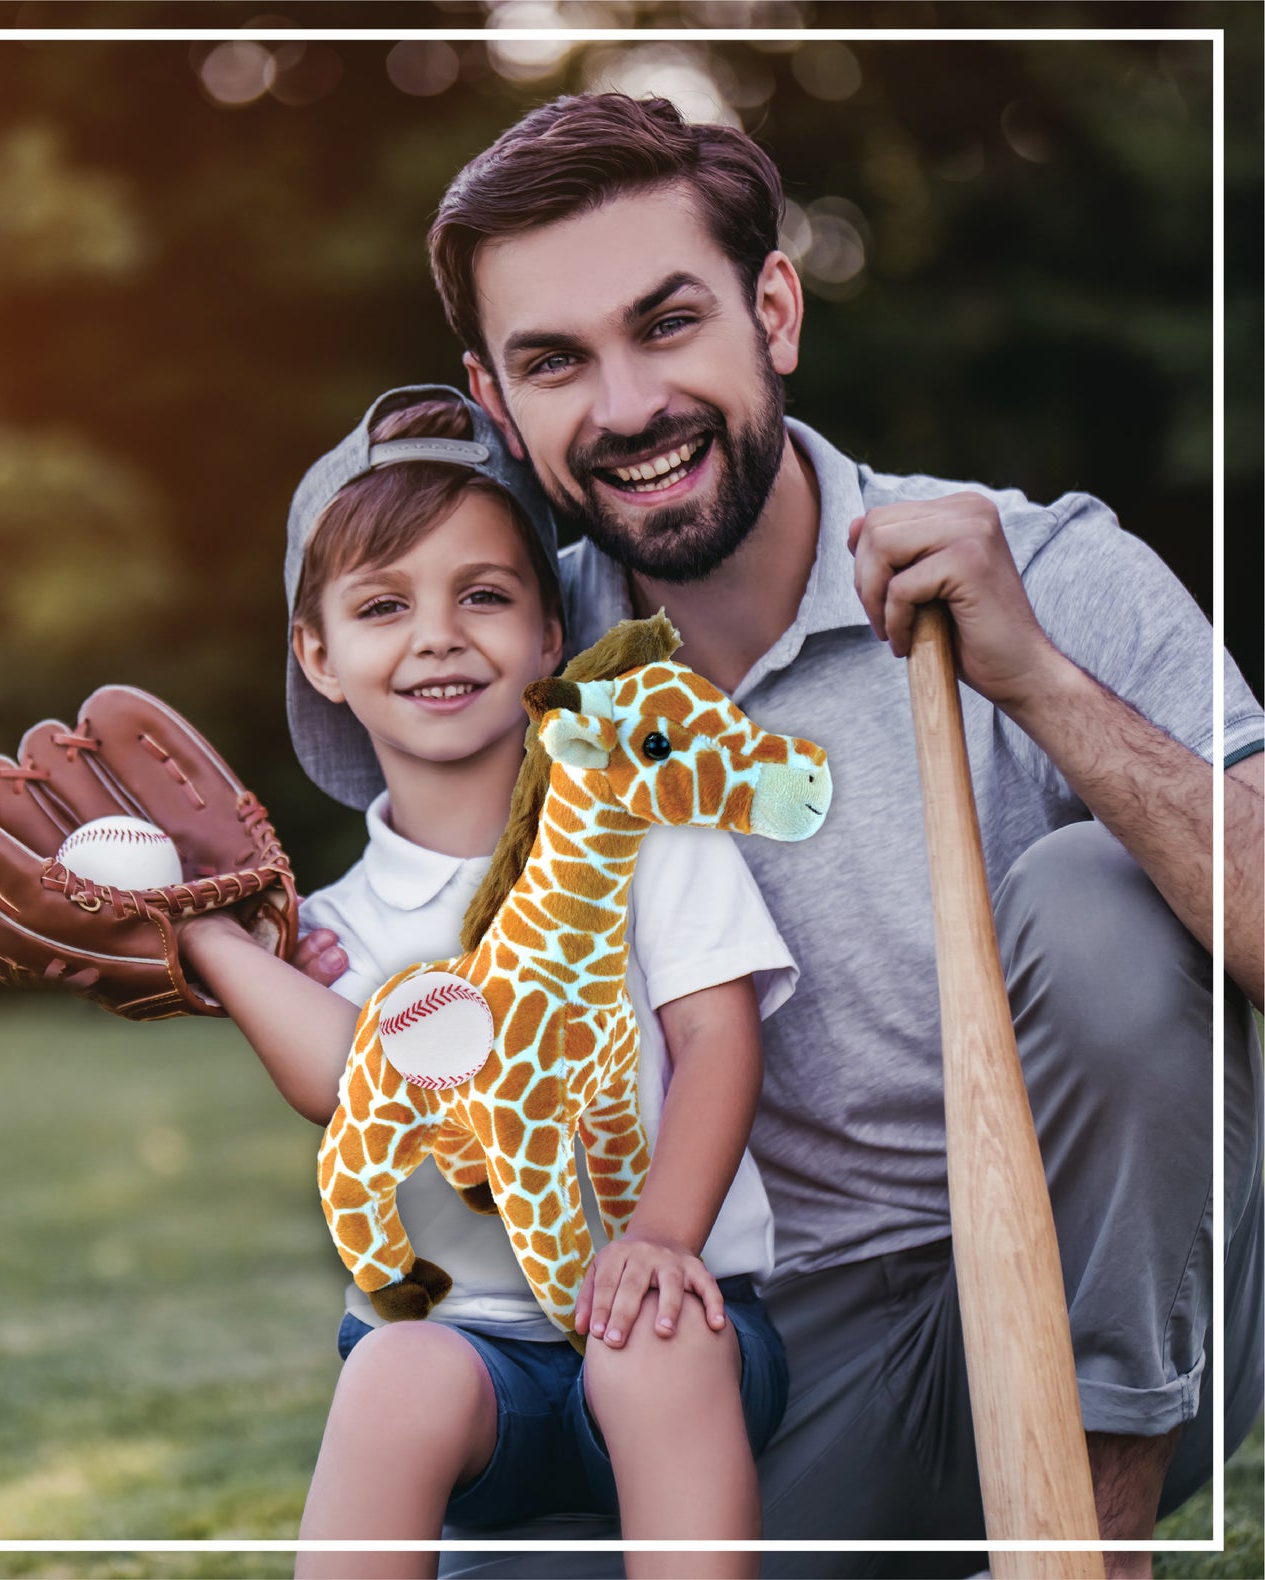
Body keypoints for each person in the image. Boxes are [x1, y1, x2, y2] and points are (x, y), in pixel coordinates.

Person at [299, 94, 1261, 1580]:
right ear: (496, 403)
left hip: (1103, 1299)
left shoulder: (1044, 566)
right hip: (749, 1344)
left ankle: (1084, 1556)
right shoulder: (506, 650)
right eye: (556, 362)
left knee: (1097, 901)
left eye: (666, 323)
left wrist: (1039, 682)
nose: (623, 408)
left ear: (774, 309)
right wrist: (201, 934)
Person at [180, 385, 805, 1580]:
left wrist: (661, 1237)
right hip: (478, 1366)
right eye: (379, 605)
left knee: (652, 1334)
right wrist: (211, 937)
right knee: (395, 1366)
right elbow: (344, 1078)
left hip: (681, 1320)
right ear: (316, 652)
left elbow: (718, 1040)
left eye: (483, 594)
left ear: (547, 633)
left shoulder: (634, 825)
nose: (437, 635)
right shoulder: (331, 927)